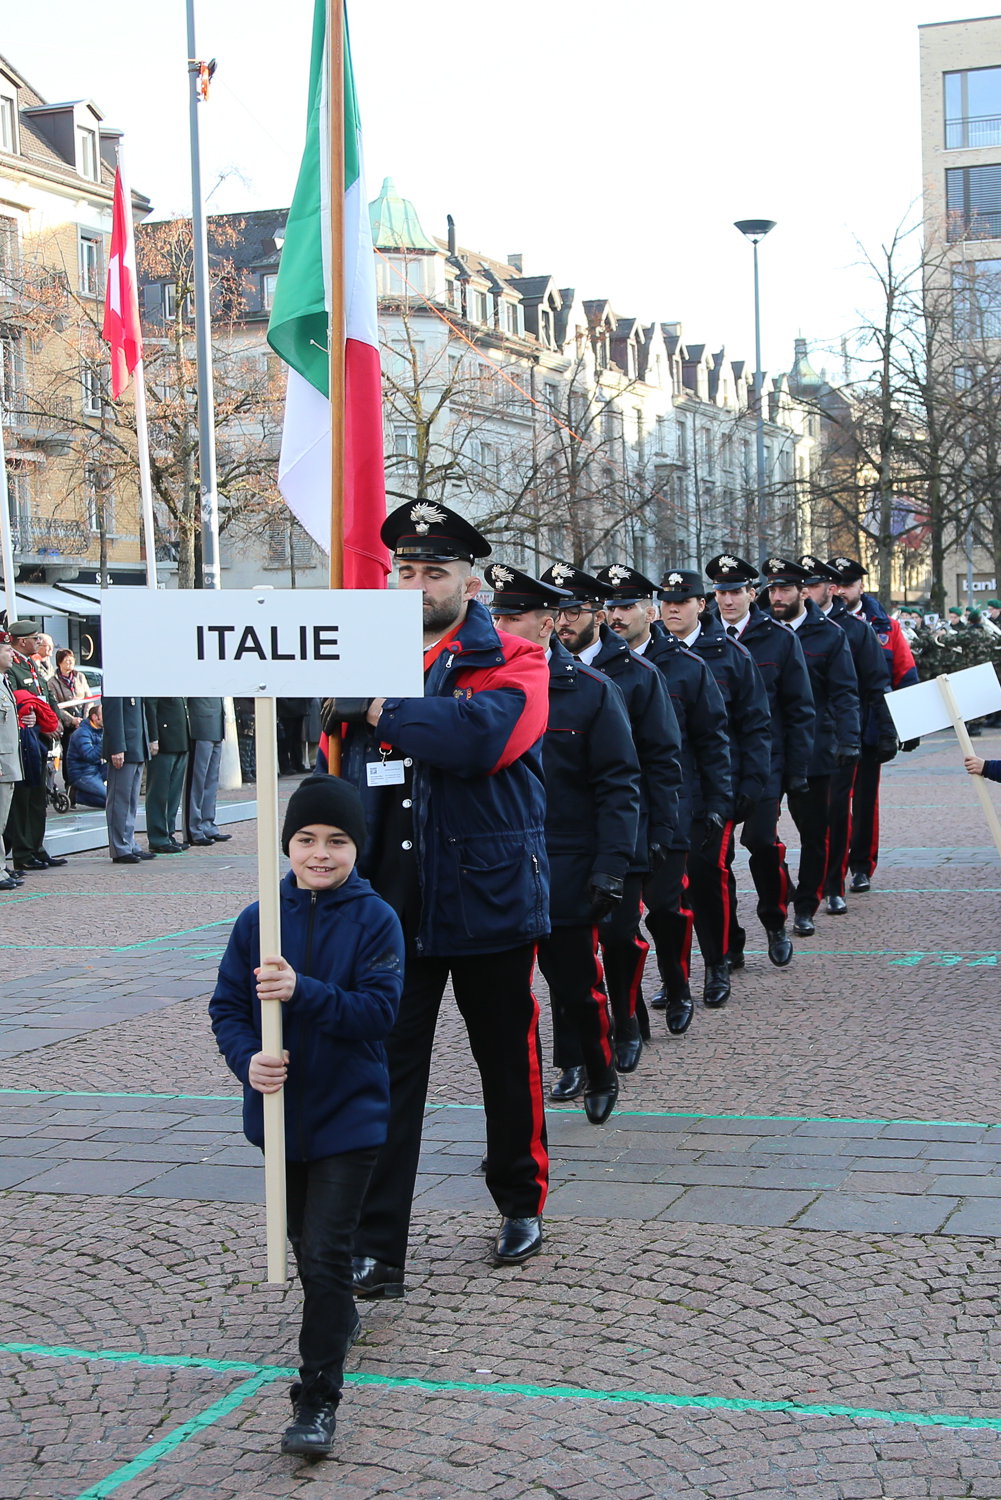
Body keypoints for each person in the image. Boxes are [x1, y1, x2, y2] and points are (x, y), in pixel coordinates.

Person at [336, 501, 552, 1296]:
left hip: (487, 895)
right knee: (386, 1076)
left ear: (470, 580)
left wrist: (383, 708)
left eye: (435, 571)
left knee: (505, 1059)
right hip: (390, 903)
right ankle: (377, 1243)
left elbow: (481, 741)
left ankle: (519, 1199)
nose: (419, 583)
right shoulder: (360, 653)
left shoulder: (517, 656)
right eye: (407, 570)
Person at [210, 774, 404, 1457]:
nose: (319, 853)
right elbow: (228, 1009)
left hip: (350, 1118)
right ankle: (338, 1311)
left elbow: (378, 1014)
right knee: (308, 1247)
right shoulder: (257, 918)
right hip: (281, 1119)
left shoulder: (377, 919)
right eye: (305, 839)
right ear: (287, 844)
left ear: (357, 847)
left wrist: (304, 991)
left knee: (323, 1254)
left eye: (336, 841)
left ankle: (316, 1398)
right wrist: (247, 1062)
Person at [487, 563, 641, 1124]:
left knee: (577, 987)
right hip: (498, 866)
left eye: (516, 616)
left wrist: (611, 868)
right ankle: (517, 1123)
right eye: (498, 614)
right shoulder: (479, 683)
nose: (503, 625)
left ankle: (598, 1068)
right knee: (506, 1005)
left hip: (566, 865)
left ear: (548, 622)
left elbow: (619, 785)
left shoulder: (592, 692)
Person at [543, 562, 684, 1064]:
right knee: (566, 951)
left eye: (575, 610)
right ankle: (578, 1052)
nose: (564, 620)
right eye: (556, 610)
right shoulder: (534, 673)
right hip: (562, 836)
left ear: (597, 614)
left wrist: (661, 829)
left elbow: (660, 760)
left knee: (620, 937)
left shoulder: (638, 675)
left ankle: (626, 1021)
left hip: (627, 831)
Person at [659, 570, 771, 1009]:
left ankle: (717, 962)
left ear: (699, 606)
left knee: (708, 880)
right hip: (670, 794)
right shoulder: (652, 658)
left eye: (683, 601)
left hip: (713, 789)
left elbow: (753, 726)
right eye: (667, 601)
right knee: (672, 893)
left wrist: (750, 784)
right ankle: (676, 976)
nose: (673, 608)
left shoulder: (731, 655)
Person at [707, 555, 815, 969]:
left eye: (735, 591)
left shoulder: (779, 638)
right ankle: (729, 939)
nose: (727, 600)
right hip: (717, 766)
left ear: (753, 593)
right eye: (720, 592)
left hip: (765, 761)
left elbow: (799, 708)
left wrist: (797, 769)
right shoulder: (704, 638)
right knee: (716, 859)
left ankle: (774, 919)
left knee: (761, 842)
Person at [762, 556, 860, 938]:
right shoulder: (761, 632)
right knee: (760, 836)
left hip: (816, 748)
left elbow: (845, 693)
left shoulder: (830, 634)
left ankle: (806, 905)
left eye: (785, 588)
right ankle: (785, 890)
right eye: (773, 588)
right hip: (769, 749)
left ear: (803, 591)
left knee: (815, 833)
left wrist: (849, 740)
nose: (778, 595)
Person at [799, 556, 894, 913]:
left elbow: (875, 684)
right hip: (792, 739)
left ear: (831, 589)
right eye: (802, 585)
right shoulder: (784, 628)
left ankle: (834, 882)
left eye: (814, 584)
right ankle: (808, 879)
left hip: (836, 735)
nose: (806, 591)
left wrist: (885, 731)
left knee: (837, 811)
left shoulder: (854, 630)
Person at [826, 556, 919, 892]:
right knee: (832, 802)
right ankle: (829, 865)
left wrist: (908, 727)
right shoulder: (818, 622)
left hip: (869, 726)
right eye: (836, 583)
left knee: (865, 801)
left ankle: (862, 864)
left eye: (848, 584)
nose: (842, 590)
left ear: (861, 586)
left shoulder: (886, 627)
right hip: (830, 728)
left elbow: (904, 675)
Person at [3, 621, 67, 874]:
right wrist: (43, 722)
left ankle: (36, 848)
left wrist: (59, 720)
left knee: (38, 797)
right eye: (35, 639)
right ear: (21, 642)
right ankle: (23, 851)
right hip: (26, 738)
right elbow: (19, 701)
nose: (39, 643)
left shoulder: (32, 664)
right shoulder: (12, 667)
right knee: (24, 798)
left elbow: (47, 697)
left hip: (40, 738)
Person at [103, 696, 157, 863]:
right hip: (125, 746)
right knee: (119, 800)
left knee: (131, 801)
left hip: (136, 744)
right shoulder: (116, 677)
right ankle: (119, 847)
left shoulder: (132, 678)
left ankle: (128, 842)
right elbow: (113, 714)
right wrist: (117, 747)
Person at [144, 697, 190, 853]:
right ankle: (158, 838)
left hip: (179, 739)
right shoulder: (158, 680)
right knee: (159, 793)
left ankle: (168, 834)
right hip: (164, 740)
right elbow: (151, 706)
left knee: (173, 794)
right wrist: (154, 738)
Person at [185, 697, 232, 846]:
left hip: (216, 724)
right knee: (197, 781)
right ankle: (194, 828)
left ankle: (207, 823)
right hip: (200, 724)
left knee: (211, 780)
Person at [0, 628, 24, 891]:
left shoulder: (4, 681)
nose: (11, 653)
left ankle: (2, 867)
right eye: (7, 649)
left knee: (2, 819)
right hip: (1, 762)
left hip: (8, 761)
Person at [65, 703, 107, 808]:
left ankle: (91, 790)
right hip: (82, 774)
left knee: (119, 766)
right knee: (111, 801)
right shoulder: (81, 733)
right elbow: (90, 756)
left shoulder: (101, 730)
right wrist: (105, 741)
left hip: (97, 769)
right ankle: (76, 795)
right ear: (94, 717)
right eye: (104, 714)